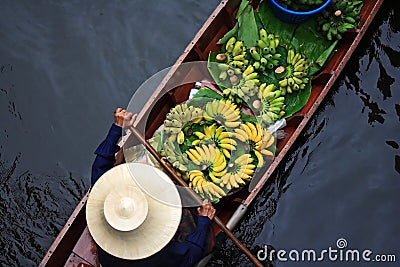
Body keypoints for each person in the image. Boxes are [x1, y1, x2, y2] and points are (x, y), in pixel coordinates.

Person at [88, 107, 216, 267]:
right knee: (204, 239)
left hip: (109, 256)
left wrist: (117, 128)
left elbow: (100, 166)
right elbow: (190, 255)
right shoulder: (156, 254)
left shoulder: (101, 200)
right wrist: (204, 221)